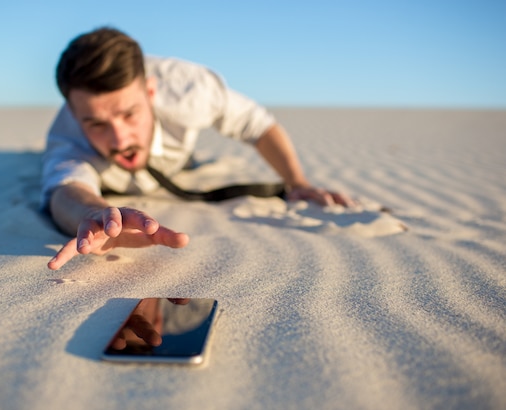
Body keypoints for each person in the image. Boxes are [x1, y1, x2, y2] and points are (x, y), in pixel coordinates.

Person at [43, 27, 352, 270]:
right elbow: (65, 190)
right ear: (73, 114)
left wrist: (297, 182)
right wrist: (93, 213)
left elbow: (257, 125)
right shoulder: (67, 132)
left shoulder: (190, 90)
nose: (120, 139)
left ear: (151, 92)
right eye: (97, 124)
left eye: (129, 115)